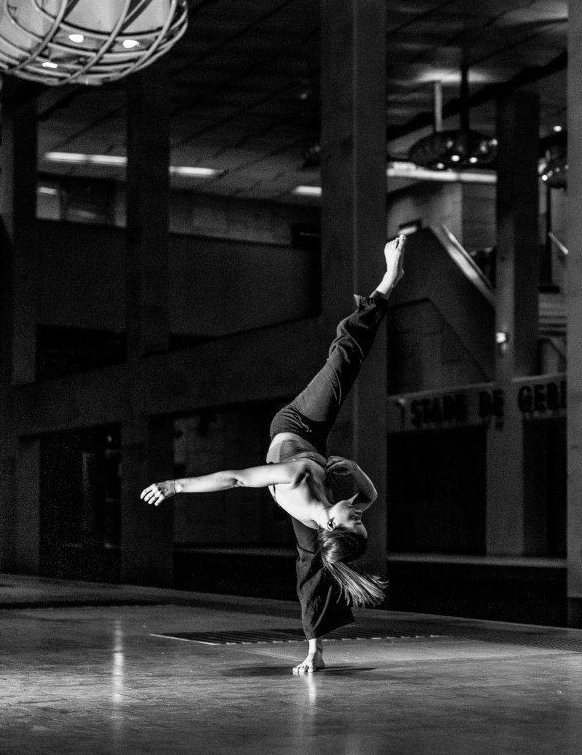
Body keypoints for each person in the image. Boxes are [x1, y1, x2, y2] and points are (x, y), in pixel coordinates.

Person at [141, 232, 406, 674]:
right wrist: (354, 469)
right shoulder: (341, 510)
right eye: (358, 519)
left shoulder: (297, 479)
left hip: (296, 425)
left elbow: (237, 478)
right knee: (316, 566)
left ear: (331, 527)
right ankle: (316, 653)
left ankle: (389, 280)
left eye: (353, 520)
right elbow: (371, 495)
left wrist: (175, 485)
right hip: (316, 445)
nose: (358, 512)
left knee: (342, 359)